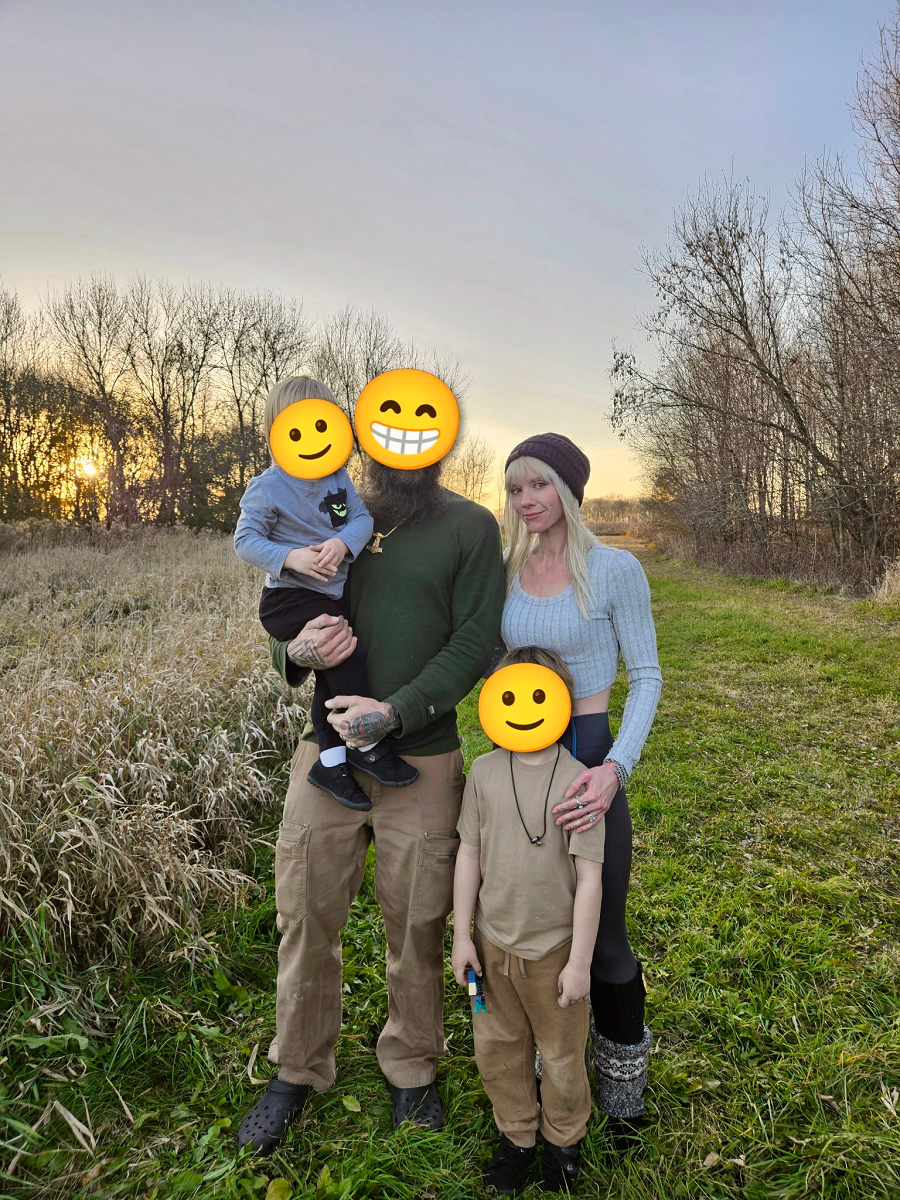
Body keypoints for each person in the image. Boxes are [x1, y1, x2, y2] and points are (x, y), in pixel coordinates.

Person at [236, 439, 506, 1154]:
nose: (404, 445)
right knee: (305, 911)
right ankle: (297, 1066)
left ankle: (412, 1065)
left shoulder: (470, 527)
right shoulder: (332, 509)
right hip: (324, 751)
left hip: (421, 755)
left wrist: (395, 712)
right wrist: (292, 653)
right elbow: (285, 603)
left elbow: (475, 639)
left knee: (417, 918)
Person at [499, 432, 663, 1151]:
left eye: (538, 484)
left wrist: (614, 769)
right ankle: (554, 1075)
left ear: (568, 489)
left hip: (589, 757)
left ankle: (624, 1094)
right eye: (515, 488)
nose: (526, 499)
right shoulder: (507, 569)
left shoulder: (614, 570)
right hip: (519, 764)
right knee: (538, 930)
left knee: (604, 937)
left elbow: (648, 676)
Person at [452, 646, 605, 1195]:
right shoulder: (483, 773)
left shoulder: (581, 782)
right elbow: (469, 853)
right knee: (498, 1047)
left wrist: (580, 964)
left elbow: (590, 880)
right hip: (492, 947)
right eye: (510, 697)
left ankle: (563, 1139)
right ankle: (516, 1136)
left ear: (562, 702)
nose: (523, 709)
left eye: (537, 696)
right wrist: (461, 936)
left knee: (561, 1056)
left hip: (555, 953)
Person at [234, 376, 418, 811]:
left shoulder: (337, 478)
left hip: (329, 596)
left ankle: (331, 764)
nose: (313, 438)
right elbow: (245, 540)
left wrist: (341, 543)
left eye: (323, 425)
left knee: (330, 675)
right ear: (276, 432)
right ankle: (367, 747)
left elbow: (361, 520)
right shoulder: (269, 485)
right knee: (345, 655)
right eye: (297, 429)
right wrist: (291, 557)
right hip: (289, 597)